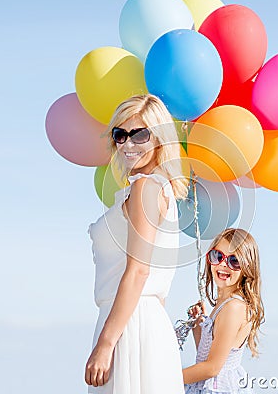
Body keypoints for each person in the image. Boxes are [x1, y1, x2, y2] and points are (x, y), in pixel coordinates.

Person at [85, 94, 189, 394]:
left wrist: (106, 343)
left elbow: (139, 272)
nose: (128, 144)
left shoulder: (146, 188)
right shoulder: (151, 188)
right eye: (120, 135)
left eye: (139, 134)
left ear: (160, 138)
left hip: (129, 326)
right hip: (136, 321)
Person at [183, 228, 265, 394]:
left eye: (234, 261)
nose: (222, 264)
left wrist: (165, 379)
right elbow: (207, 357)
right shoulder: (224, 306)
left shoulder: (234, 308)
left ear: (247, 267)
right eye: (217, 256)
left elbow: (212, 368)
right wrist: (199, 327)